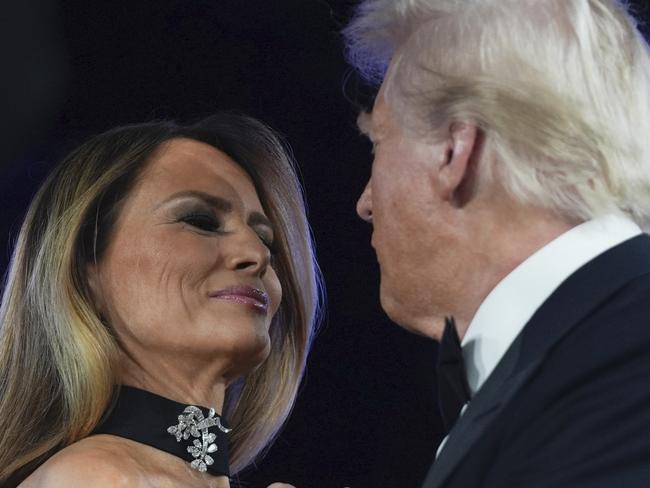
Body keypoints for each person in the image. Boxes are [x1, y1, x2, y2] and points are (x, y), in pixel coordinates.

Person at [344, 0, 650, 486]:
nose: (365, 203)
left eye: (379, 143)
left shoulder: (620, 365)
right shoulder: (595, 352)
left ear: (454, 149)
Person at [0, 113, 322, 487]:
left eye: (267, 240)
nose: (257, 253)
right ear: (85, 267)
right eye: (200, 220)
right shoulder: (91, 478)